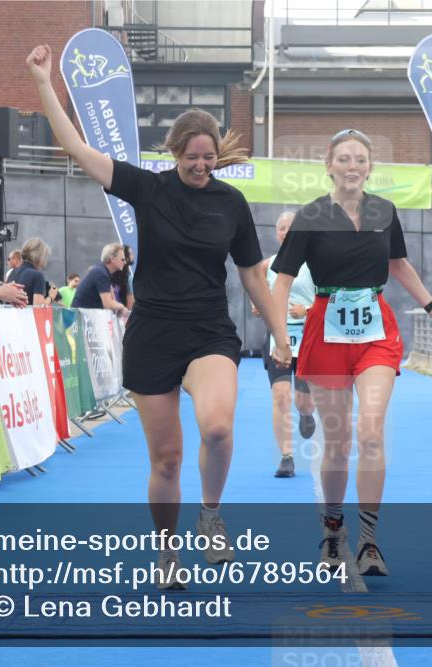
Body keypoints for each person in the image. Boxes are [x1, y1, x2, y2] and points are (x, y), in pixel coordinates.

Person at [28, 44, 289, 587]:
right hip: (152, 334)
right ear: (174, 153)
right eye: (192, 157)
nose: (201, 165)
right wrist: (43, 81)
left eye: (209, 157)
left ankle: (211, 515)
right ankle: (167, 553)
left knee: (218, 427)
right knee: (167, 459)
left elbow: (252, 275)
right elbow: (76, 147)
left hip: (209, 331)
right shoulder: (147, 188)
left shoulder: (231, 203)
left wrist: (280, 334)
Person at [271, 128, 432, 577]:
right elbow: (282, 281)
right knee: (338, 444)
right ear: (329, 165)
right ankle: (333, 532)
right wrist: (281, 337)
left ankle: (370, 541)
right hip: (326, 331)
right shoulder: (311, 215)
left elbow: (398, 265)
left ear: (370, 166)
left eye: (360, 159)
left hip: (375, 331)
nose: (352, 166)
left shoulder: (384, 211)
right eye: (344, 159)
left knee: (372, 433)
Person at [256, 211, 316, 478]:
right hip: (278, 340)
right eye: (282, 227)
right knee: (281, 396)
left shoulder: (315, 265)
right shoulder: (266, 265)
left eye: (291, 227)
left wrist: (307, 310)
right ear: (276, 233)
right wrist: (259, 307)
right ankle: (286, 457)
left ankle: (306, 414)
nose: (286, 232)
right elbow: (256, 295)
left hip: (308, 340)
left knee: (304, 402)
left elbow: (329, 300)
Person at [72, 243, 130, 316]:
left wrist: (118, 307)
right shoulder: (101, 273)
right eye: (122, 259)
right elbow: (108, 304)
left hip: (83, 316)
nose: (125, 262)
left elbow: (112, 301)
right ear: (112, 259)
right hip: (79, 318)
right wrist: (122, 307)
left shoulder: (103, 272)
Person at [10, 237, 52, 305]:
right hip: (28, 312)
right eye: (45, 256)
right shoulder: (37, 275)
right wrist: (51, 297)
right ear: (40, 256)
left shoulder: (12, 272)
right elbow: (39, 307)